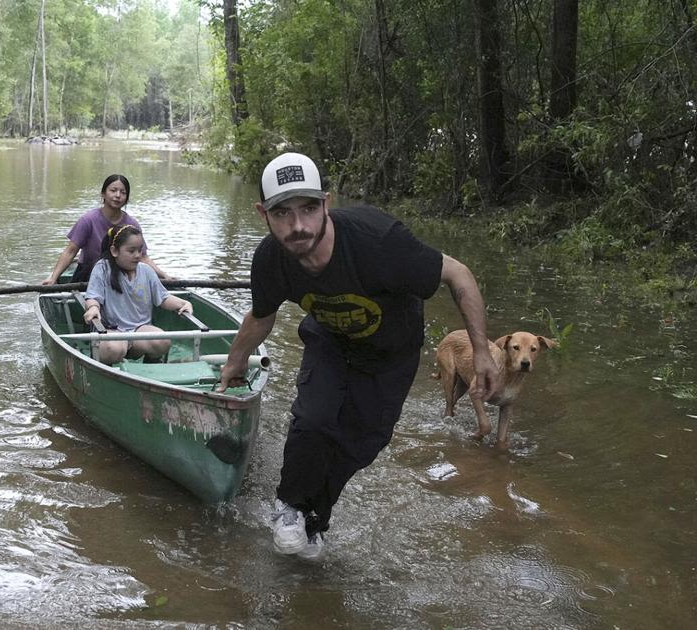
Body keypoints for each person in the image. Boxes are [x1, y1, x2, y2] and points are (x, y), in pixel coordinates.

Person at [216, 152, 499, 561]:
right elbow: (261, 316)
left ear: (326, 203)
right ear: (263, 212)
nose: (298, 226)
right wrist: (234, 362)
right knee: (314, 420)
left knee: (360, 445)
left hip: (391, 353)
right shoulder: (271, 259)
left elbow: (458, 275)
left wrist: (481, 352)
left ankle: (316, 523)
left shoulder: (378, 241)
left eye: (309, 209)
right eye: (282, 213)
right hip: (330, 340)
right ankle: (289, 507)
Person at [82, 225, 192, 365]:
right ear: (114, 251)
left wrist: (183, 303)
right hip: (111, 330)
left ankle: (151, 368)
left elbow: (163, 298)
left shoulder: (146, 270)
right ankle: (105, 369)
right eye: (131, 251)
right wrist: (93, 308)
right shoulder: (102, 268)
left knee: (163, 340)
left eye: (140, 250)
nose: (137, 255)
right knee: (112, 348)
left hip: (139, 329)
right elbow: (93, 296)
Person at [42, 174, 170, 285]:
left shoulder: (132, 224)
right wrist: (54, 278)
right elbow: (70, 251)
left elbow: (142, 257)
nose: (118, 195)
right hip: (88, 274)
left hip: (121, 275)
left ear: (127, 198)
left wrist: (164, 276)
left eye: (123, 192)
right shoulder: (88, 220)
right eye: (113, 190)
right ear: (103, 193)